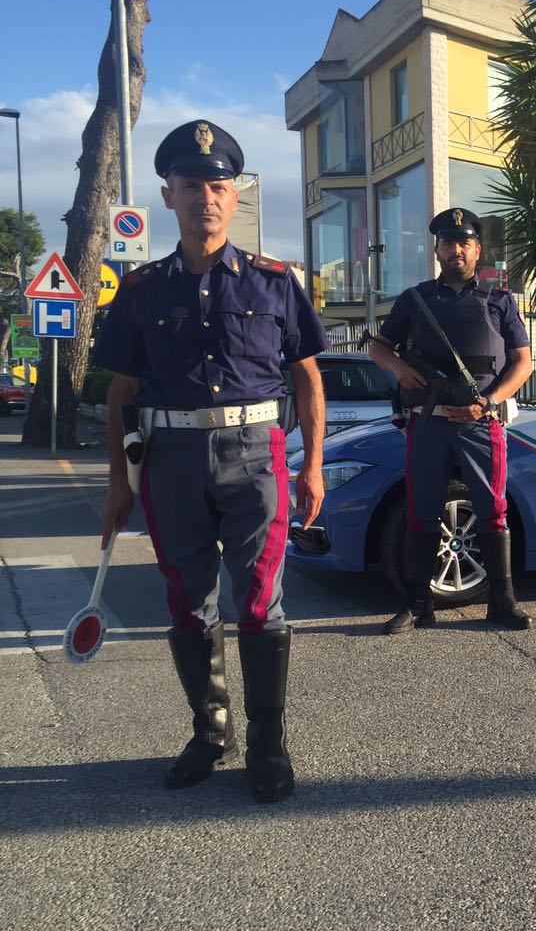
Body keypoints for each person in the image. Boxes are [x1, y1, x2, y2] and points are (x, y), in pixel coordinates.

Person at [95, 119, 328, 804]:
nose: (207, 197)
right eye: (192, 185)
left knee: (260, 600)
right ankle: (211, 730)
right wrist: (117, 484)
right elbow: (120, 394)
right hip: (171, 461)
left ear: (235, 195)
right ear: (168, 195)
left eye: (218, 185)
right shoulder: (141, 292)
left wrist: (311, 465)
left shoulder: (275, 283)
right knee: (187, 601)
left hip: (257, 455)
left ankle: (267, 742)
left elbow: (308, 379)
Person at [369, 207, 533, 634]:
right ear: (437, 249)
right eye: (448, 242)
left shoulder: (499, 300)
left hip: (481, 422)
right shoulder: (415, 299)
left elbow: (523, 364)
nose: (456, 249)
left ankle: (501, 603)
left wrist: (489, 401)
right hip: (429, 422)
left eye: (464, 242)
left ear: (477, 249)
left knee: (492, 511)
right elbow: (379, 348)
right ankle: (417, 604)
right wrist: (399, 370)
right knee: (422, 512)